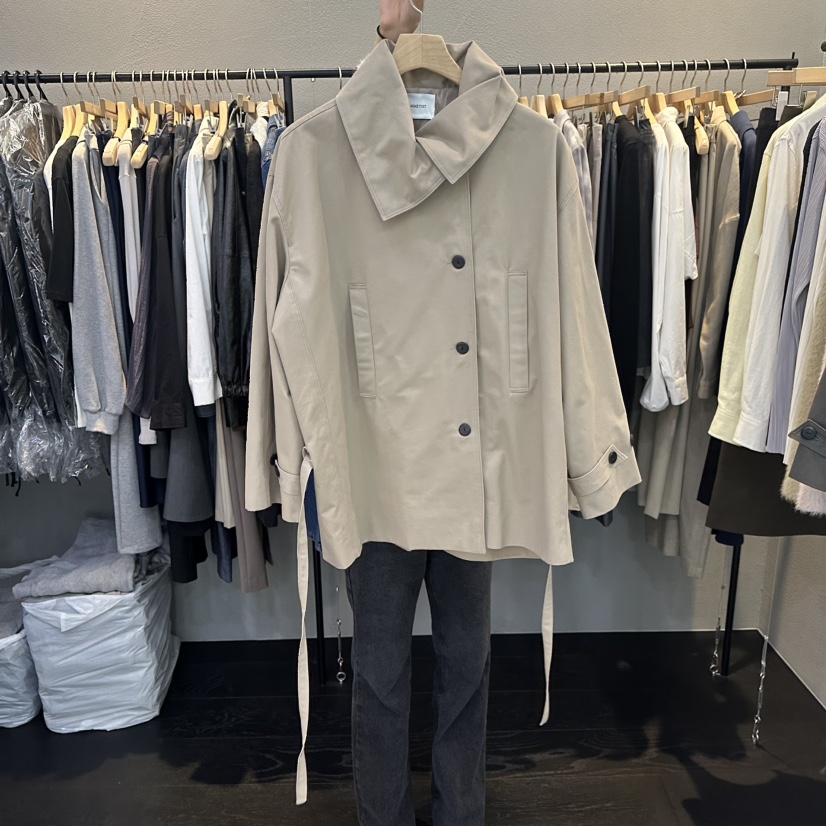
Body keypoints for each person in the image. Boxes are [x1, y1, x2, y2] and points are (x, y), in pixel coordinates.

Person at [344, 8, 490, 826]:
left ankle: (461, 809)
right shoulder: (326, 151)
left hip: (470, 462)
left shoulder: (518, 148)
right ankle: (383, 813)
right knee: (379, 668)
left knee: (467, 658)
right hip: (376, 465)